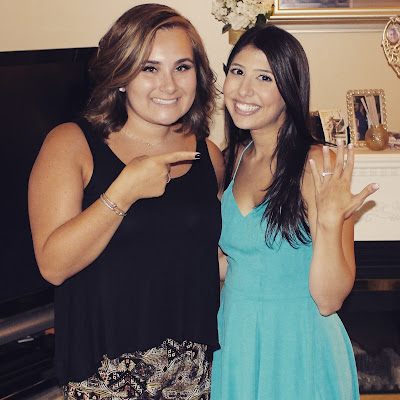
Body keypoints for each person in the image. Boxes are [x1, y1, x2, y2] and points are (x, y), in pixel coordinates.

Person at [28, 4, 224, 399]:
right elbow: (53, 266)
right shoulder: (71, 144)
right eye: (149, 68)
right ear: (121, 76)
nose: (169, 85)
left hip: (191, 373)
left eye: (182, 67)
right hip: (107, 376)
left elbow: (209, 257)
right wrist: (124, 190)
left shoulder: (209, 155)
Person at [210, 25, 379, 399]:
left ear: (289, 90)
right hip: (237, 338)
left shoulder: (317, 164)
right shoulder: (233, 157)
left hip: (298, 345)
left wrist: (330, 223)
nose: (244, 90)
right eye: (237, 72)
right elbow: (229, 262)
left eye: (264, 78)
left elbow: (329, 300)